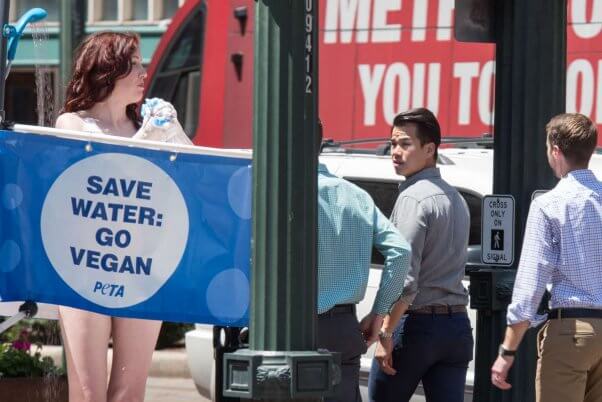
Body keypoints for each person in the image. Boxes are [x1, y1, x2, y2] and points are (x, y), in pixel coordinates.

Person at [55, 32, 161, 402]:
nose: (143, 72)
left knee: (131, 392)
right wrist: (148, 141)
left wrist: (169, 134)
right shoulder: (72, 124)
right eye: (133, 64)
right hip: (85, 269)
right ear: (107, 70)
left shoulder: (150, 128)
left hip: (141, 271)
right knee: (87, 391)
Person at [491, 113, 602, 402]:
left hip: (571, 332)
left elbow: (530, 284)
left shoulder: (549, 204)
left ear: (555, 150)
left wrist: (507, 351)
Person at [368, 108, 473, 402]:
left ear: (430, 149)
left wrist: (386, 334)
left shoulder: (413, 197)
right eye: (393, 143)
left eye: (405, 144)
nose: (396, 152)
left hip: (417, 327)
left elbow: (406, 278)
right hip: (456, 328)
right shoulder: (456, 198)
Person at [316, 121, 412, 402]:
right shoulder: (356, 196)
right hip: (345, 328)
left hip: (292, 328)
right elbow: (401, 250)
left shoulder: (278, 195)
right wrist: (379, 312)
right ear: (320, 143)